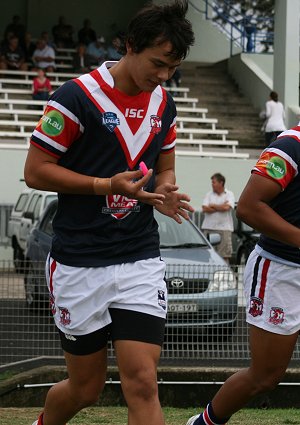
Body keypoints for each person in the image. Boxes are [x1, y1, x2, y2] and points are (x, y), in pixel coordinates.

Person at [24, 2, 194, 425]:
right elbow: (35, 172)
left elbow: (165, 164)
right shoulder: (75, 96)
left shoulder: (164, 105)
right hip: (79, 261)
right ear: (130, 46)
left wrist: (164, 188)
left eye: (172, 68)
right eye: (158, 64)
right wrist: (104, 186)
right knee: (86, 388)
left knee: (142, 381)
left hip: (138, 256)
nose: (163, 76)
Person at [186, 123, 300, 424]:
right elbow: (248, 207)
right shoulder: (289, 147)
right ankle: (204, 422)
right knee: (265, 376)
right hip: (282, 270)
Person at [201, 173, 235, 263]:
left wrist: (213, 206)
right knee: (207, 254)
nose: (212, 184)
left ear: (221, 183)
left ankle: (224, 275)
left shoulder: (229, 194)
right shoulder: (208, 194)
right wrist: (221, 206)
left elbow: (227, 208)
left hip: (224, 229)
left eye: (214, 182)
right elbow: (205, 208)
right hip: (209, 228)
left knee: (224, 255)